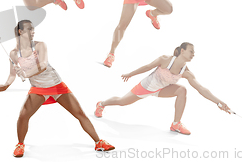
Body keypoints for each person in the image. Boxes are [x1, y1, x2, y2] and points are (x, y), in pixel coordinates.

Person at [0, 20, 114, 157]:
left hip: (56, 85)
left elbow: (43, 64)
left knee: (79, 114)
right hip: (38, 88)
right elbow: (11, 74)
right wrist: (6, 85)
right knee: (23, 116)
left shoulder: (39, 45)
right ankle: (20, 145)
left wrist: (26, 73)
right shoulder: (14, 53)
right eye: (29, 29)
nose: (33, 31)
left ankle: (99, 142)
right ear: (21, 32)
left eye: (33, 29)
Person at [95, 42, 231, 135]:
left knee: (182, 90)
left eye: (194, 52)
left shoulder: (186, 72)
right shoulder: (166, 59)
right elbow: (147, 67)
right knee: (122, 101)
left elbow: (201, 88)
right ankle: (101, 104)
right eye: (191, 51)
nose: (193, 54)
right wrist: (130, 74)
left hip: (161, 89)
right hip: (146, 87)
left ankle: (176, 124)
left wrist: (219, 102)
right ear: (182, 51)